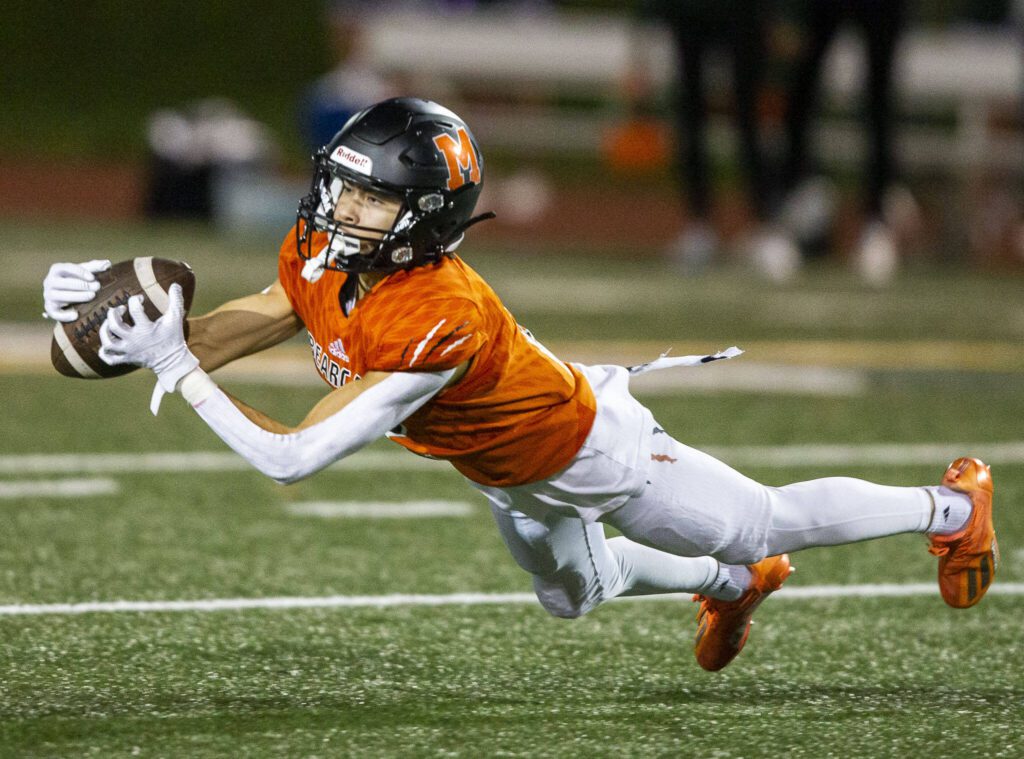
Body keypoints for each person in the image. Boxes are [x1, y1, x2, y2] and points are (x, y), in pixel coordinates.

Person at [43, 98, 998, 671]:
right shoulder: (327, 248)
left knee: (764, 515)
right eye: (340, 184)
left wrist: (174, 366)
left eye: (369, 196)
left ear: (425, 215)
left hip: (594, 452)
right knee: (572, 597)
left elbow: (293, 457)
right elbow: (258, 313)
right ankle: (735, 585)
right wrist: (127, 329)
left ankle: (951, 509)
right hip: (504, 467)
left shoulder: (436, 314)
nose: (340, 207)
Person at [636, 0, 800, 281]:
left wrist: (782, 15)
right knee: (690, 117)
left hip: (741, 11)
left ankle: (764, 223)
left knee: (751, 118)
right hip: (692, 11)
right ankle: (699, 224)